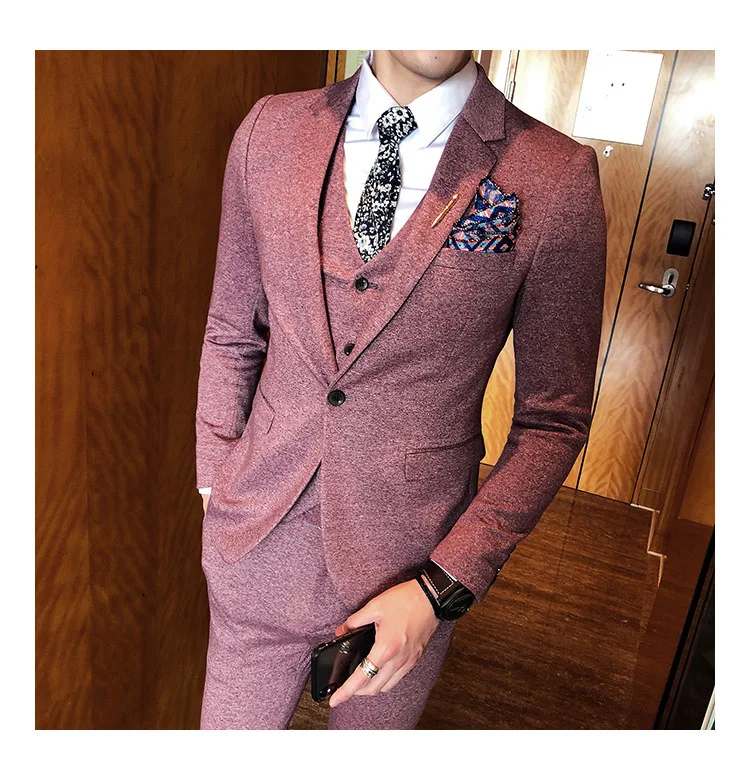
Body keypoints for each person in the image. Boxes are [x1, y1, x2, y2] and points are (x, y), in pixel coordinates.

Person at [195, 49, 607, 729]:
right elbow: (233, 330)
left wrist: (443, 585)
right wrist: (217, 483)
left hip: (409, 571)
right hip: (255, 539)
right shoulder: (270, 130)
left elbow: (553, 421)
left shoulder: (556, 176)